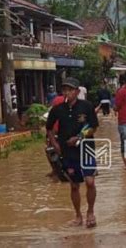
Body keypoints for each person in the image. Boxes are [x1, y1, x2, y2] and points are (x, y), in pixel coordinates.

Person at [46, 77, 99, 228]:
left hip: (86, 149)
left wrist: (80, 136)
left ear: (77, 91)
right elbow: (49, 128)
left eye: (70, 90)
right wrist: (55, 144)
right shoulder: (57, 109)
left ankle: (90, 212)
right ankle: (78, 215)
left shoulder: (87, 106)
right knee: (74, 185)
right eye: (64, 90)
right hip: (67, 152)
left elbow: (94, 127)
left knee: (90, 182)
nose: (67, 93)